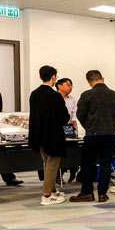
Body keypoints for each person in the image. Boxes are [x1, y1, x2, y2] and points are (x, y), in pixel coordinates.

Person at [70, 70, 115, 203]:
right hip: (111, 134)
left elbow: (80, 114)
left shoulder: (87, 95)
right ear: (102, 79)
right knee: (106, 164)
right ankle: (102, 194)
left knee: (88, 163)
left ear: (89, 82)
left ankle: (87, 192)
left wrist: (89, 126)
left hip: (93, 135)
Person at [28, 66, 68, 206]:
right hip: (53, 135)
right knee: (52, 164)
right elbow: (64, 117)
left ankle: (52, 189)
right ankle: (47, 194)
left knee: (46, 163)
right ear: (53, 77)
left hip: (39, 135)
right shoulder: (55, 96)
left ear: (40, 77)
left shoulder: (34, 94)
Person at [55, 77, 78, 184]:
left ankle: (73, 169)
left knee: (72, 150)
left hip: (68, 128)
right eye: (68, 85)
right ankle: (58, 175)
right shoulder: (54, 98)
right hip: (56, 128)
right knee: (58, 152)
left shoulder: (73, 99)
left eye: (71, 85)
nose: (70, 87)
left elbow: (74, 116)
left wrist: (75, 130)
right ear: (59, 86)